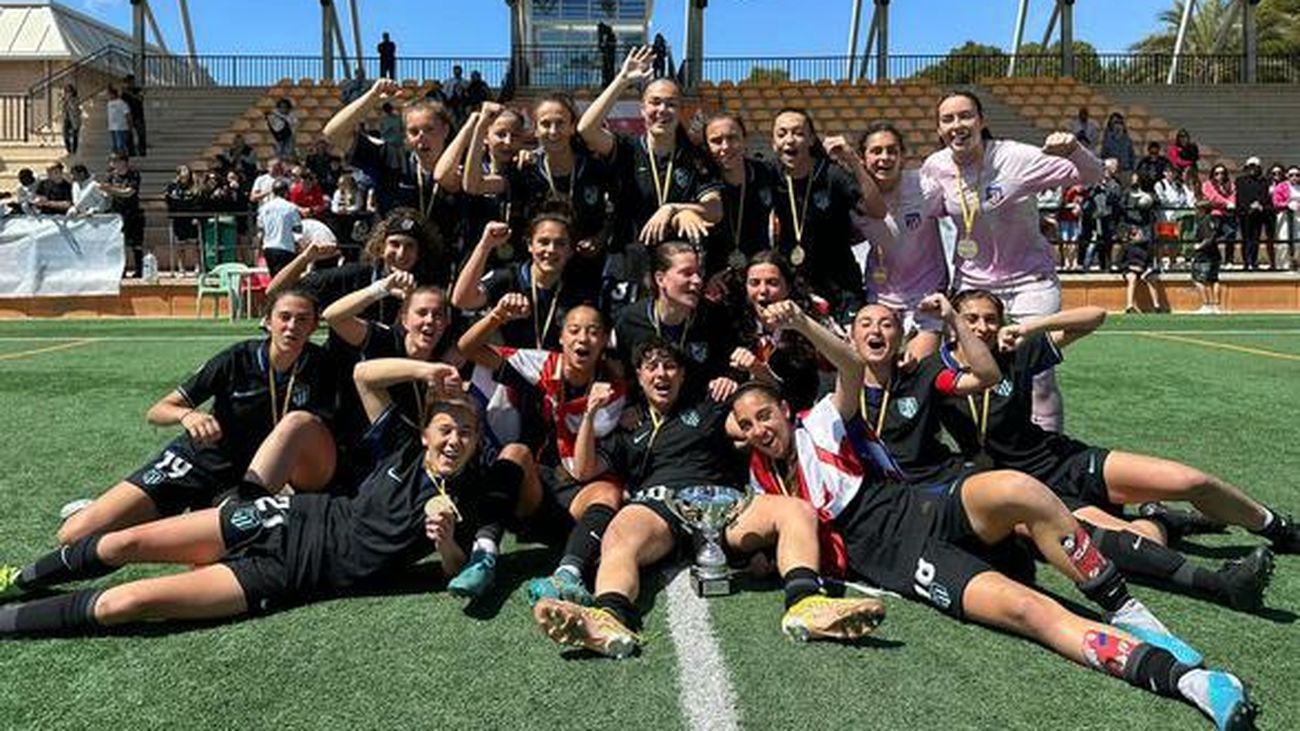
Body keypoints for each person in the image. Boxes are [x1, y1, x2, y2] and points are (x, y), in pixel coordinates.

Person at [730, 300, 1258, 731]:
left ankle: (1129, 612)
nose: (759, 429)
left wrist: (801, 323)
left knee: (1017, 489)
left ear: (783, 411)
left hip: (914, 505)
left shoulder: (819, 421)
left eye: (764, 416)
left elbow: (847, 365)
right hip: (897, 558)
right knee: (1034, 614)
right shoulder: (759, 479)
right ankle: (1193, 684)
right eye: (747, 425)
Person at [0, 365, 537, 639]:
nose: (455, 440)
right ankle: (20, 578)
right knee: (123, 541)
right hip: (280, 515)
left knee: (129, 603)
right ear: (426, 432)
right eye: (446, 428)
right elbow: (363, 376)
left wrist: (444, 542)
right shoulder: (398, 444)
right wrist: (424, 372)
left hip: (291, 574)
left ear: (476, 442)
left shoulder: (469, 495)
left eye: (467, 433)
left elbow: (458, 571)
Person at [533, 336, 886, 658]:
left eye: (670, 366)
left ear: (683, 375)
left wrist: (747, 377)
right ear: (638, 376)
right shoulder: (628, 425)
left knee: (796, 511)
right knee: (619, 534)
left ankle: (807, 603)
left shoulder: (709, 409)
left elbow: (757, 417)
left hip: (721, 508)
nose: (661, 374)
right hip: (658, 509)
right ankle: (609, 615)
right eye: (652, 367)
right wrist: (593, 413)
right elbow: (583, 470)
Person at [942, 291, 1297, 563]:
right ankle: (1163, 520)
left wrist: (1029, 326)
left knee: (1191, 481)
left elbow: (1095, 316)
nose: (981, 328)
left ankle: (1277, 528)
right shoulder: (935, 374)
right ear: (953, 323)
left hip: (1066, 460)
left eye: (990, 319)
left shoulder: (1017, 353)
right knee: (1138, 545)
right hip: (1031, 489)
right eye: (970, 319)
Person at [53, 288, 340, 546]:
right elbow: (158, 410)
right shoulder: (237, 358)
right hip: (201, 458)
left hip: (250, 478)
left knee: (228, 542)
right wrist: (187, 416)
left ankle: (179, 513)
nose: (292, 327)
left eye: (302, 320)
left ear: (314, 326)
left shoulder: (322, 366)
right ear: (268, 321)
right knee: (74, 535)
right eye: (284, 317)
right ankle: (110, 511)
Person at [920, 91, 1102, 434]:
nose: (957, 125)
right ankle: (981, 450)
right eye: (948, 119)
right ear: (939, 129)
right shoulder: (936, 166)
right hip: (974, 285)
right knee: (971, 371)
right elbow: (925, 210)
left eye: (965, 116)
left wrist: (1074, 148)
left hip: (1030, 282)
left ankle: (1050, 454)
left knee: (1038, 375)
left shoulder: (1016, 157)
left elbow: (1091, 175)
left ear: (982, 121)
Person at [458, 297, 627, 602]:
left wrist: (588, 413)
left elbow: (584, 469)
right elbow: (468, 348)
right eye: (574, 330)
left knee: (608, 492)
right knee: (514, 452)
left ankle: (568, 575)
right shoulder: (542, 364)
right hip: (535, 494)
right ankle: (483, 555)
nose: (582, 338)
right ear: (562, 337)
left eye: (592, 332)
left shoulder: (612, 390)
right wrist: (496, 316)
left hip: (577, 495)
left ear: (604, 340)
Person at [579, 47, 723, 305]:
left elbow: (714, 209)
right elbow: (586, 129)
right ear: (642, 109)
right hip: (627, 264)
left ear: (680, 111)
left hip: (676, 271)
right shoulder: (625, 149)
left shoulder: (694, 157)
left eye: (671, 104)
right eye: (655, 102)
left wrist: (674, 208)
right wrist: (622, 79)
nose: (663, 109)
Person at [469, 94, 610, 293]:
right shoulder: (525, 168)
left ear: (572, 127)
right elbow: (474, 185)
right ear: (535, 130)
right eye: (545, 124)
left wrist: (600, 238)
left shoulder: (594, 166)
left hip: (587, 272)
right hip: (538, 276)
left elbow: (617, 212)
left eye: (560, 123)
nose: (553, 131)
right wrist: (480, 127)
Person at [770, 108, 886, 323]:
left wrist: (852, 160)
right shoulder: (770, 175)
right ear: (773, 142)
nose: (789, 140)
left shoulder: (833, 174)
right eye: (782, 133)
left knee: (849, 351)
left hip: (841, 286)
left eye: (798, 133)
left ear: (812, 139)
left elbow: (878, 211)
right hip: (796, 288)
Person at [857, 122, 949, 361]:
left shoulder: (926, 187)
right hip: (879, 299)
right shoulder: (854, 195)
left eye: (892, 150)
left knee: (915, 372)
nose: (884, 157)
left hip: (926, 297)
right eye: (876, 151)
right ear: (863, 158)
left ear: (903, 156)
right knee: (878, 374)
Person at [323, 78, 457, 234]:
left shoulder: (462, 165)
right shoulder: (389, 158)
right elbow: (333, 134)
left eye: (429, 129)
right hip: (392, 253)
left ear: (445, 130)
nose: (422, 137)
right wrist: (372, 97)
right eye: (413, 132)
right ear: (406, 135)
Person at [268, 207, 445, 321]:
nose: (401, 253)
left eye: (409, 247)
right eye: (395, 244)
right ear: (381, 247)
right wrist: (305, 258)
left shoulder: (427, 286)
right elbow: (275, 291)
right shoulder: (354, 275)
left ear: (419, 252)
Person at [453, 212, 597, 349]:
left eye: (560, 243)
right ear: (530, 245)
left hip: (556, 370)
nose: (551, 249)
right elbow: (462, 300)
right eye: (544, 242)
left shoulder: (578, 288)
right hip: (508, 368)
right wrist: (485, 246)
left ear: (570, 251)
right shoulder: (509, 277)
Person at [612, 241, 734, 398]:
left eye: (698, 273)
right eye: (687, 273)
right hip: (647, 412)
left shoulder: (715, 317)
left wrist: (727, 380)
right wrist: (630, 405)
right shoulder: (629, 320)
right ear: (660, 279)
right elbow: (618, 373)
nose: (697, 281)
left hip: (700, 411)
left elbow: (728, 368)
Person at [721, 251, 824, 411]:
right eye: (754, 283)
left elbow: (803, 400)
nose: (763, 290)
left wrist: (762, 373)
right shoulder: (734, 324)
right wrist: (726, 380)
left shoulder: (806, 330)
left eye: (772, 283)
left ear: (787, 287)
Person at [699, 113, 777, 277]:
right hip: (714, 279)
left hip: (759, 277)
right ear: (706, 146)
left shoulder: (766, 173)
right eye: (716, 141)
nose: (725, 146)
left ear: (744, 139)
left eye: (732, 138)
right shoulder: (701, 180)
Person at [101, 153, 145, 278]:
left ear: (123, 162)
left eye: (115, 161)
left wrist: (110, 190)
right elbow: (106, 194)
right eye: (112, 161)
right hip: (117, 213)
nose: (113, 164)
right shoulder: (110, 176)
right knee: (119, 243)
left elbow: (128, 192)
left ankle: (139, 269)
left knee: (136, 243)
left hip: (133, 212)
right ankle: (121, 269)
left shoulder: (133, 175)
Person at [259, 179, 303, 276]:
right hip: (286, 248)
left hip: (268, 248)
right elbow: (298, 228)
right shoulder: (291, 207)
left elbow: (261, 229)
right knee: (286, 281)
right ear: (286, 192)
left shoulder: (264, 208)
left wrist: (259, 249)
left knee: (274, 280)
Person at [1234, 157, 1271, 271]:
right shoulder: (1240, 181)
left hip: (1258, 214)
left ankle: (1254, 261)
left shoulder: (1264, 181)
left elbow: (1265, 196)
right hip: (1244, 214)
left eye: (1255, 167)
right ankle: (1246, 262)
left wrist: (1259, 204)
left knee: (1256, 238)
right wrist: (1248, 206)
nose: (1253, 169)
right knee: (1245, 238)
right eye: (1250, 166)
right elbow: (1240, 197)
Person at [1202, 163, 1238, 268]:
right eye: (1216, 173)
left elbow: (1233, 195)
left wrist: (1231, 203)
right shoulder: (1207, 184)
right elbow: (1213, 197)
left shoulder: (1230, 184)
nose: (1219, 175)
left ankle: (1229, 260)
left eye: (1222, 173)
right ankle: (1215, 260)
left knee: (1231, 235)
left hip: (1228, 215)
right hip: (1215, 214)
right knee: (1212, 238)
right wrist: (1227, 203)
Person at [1270, 165, 1299, 270]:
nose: (1294, 177)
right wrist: (1287, 204)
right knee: (1283, 240)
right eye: (1291, 175)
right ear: (1287, 175)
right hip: (1285, 216)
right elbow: (1276, 202)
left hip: (1298, 216)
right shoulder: (1282, 186)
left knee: (1298, 242)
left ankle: (1296, 264)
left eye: (1297, 175)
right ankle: (1282, 265)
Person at [122, 74, 146, 157]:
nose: (129, 84)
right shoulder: (124, 94)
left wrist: (130, 93)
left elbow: (140, 98)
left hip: (138, 115)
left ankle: (142, 151)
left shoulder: (138, 90)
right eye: (128, 82)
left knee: (141, 134)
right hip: (129, 117)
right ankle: (131, 153)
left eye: (131, 82)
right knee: (129, 136)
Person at [105, 87, 131, 157]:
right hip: (112, 127)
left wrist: (129, 125)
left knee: (120, 144)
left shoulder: (121, 103)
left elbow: (127, 114)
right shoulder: (109, 103)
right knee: (115, 145)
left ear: (113, 94)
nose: (107, 96)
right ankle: (117, 158)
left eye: (108, 94)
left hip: (120, 127)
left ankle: (123, 158)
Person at [61, 84, 82, 155]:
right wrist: (64, 102)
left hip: (74, 119)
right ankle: (69, 149)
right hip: (66, 119)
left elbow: (74, 108)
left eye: (69, 91)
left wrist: (69, 100)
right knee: (65, 135)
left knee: (75, 136)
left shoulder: (75, 99)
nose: (67, 93)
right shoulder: (64, 99)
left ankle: (74, 150)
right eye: (66, 91)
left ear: (72, 92)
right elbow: (62, 109)